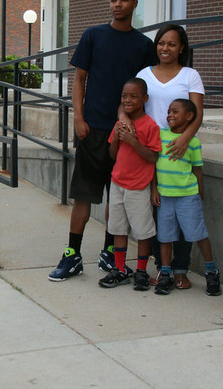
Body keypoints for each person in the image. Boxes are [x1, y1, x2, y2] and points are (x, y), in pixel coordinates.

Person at [48, 0, 154, 281]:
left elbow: (147, 90)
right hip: (92, 129)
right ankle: (73, 255)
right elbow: (80, 79)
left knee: (116, 198)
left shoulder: (143, 45)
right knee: (83, 195)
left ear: (134, 4)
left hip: (124, 135)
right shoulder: (93, 35)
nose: (117, 4)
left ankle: (110, 253)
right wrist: (78, 119)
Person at [135, 24, 204, 290]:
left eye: (172, 44)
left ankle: (181, 269)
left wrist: (184, 139)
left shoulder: (190, 75)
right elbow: (132, 104)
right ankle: (162, 268)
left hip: (179, 151)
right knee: (157, 211)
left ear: (182, 48)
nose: (165, 48)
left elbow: (196, 113)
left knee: (183, 215)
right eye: (161, 43)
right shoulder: (144, 74)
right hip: (151, 151)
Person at [151, 98, 220, 296]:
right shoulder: (160, 135)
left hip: (188, 196)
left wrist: (200, 193)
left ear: (189, 116)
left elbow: (197, 169)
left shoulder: (193, 142)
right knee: (165, 237)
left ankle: (211, 271)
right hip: (164, 197)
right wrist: (154, 189)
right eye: (169, 111)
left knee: (197, 233)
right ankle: (165, 274)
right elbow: (154, 165)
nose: (170, 115)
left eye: (175, 111)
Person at [98, 78, 160, 290]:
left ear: (145, 99)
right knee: (118, 229)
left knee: (143, 231)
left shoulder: (150, 126)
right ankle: (119, 269)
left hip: (139, 186)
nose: (128, 100)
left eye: (133, 96)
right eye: (124, 96)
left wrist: (133, 141)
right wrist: (116, 138)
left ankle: (141, 270)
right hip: (118, 184)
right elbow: (113, 154)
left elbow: (153, 157)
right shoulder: (120, 123)